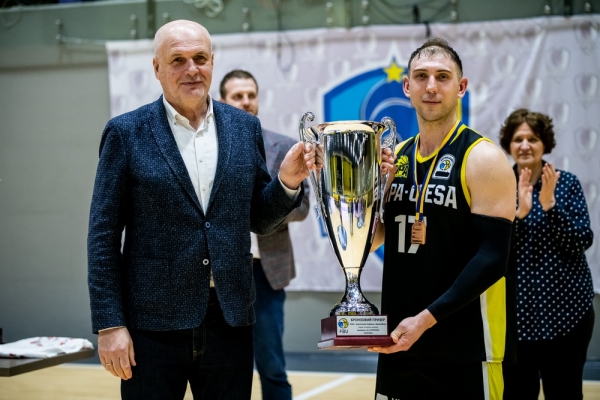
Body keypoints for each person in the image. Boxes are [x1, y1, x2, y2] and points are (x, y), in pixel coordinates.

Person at [87, 20, 320, 400]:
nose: (191, 69)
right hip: (153, 325)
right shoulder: (126, 133)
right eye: (177, 60)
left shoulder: (245, 128)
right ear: (157, 68)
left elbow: (259, 220)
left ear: (212, 61)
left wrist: (287, 182)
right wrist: (110, 323)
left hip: (229, 321)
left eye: (199, 58)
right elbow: (103, 236)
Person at [368, 38, 517, 400]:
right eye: (421, 76)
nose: (431, 86)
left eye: (442, 76)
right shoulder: (396, 157)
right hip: (399, 342)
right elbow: (371, 241)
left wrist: (425, 320)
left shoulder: (483, 158)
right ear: (407, 87)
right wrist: (359, 195)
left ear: (461, 87)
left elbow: (492, 259)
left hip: (465, 348)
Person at [219, 69, 310, 400]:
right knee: (224, 367)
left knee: (271, 364)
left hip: (267, 271)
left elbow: (303, 207)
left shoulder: (284, 146)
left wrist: (268, 207)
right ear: (222, 101)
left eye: (251, 95)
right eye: (237, 96)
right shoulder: (209, 149)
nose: (246, 102)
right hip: (223, 270)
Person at [499, 109, 595, 400]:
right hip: (515, 319)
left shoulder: (566, 183)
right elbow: (491, 251)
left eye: (533, 139)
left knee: (565, 392)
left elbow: (581, 240)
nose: (525, 145)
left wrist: (550, 206)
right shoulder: (498, 186)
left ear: (545, 144)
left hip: (568, 314)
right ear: (509, 144)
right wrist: (518, 215)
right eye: (518, 139)